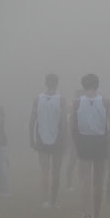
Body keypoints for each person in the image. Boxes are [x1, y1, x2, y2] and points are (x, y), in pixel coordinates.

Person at [71, 73, 110, 218]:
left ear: (83, 85)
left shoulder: (77, 102)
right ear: (97, 85)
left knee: (84, 180)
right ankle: (97, 216)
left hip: (84, 140)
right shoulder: (105, 101)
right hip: (100, 140)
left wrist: (77, 142)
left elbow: (73, 126)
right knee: (98, 180)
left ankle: (85, 215)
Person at [29, 74, 67, 208]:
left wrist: (31, 138)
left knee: (44, 171)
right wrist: (66, 140)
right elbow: (64, 122)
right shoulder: (61, 100)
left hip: (41, 137)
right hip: (58, 138)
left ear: (45, 83)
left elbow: (32, 120)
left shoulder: (37, 99)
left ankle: (45, 201)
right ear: (57, 84)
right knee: (56, 172)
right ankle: (54, 201)